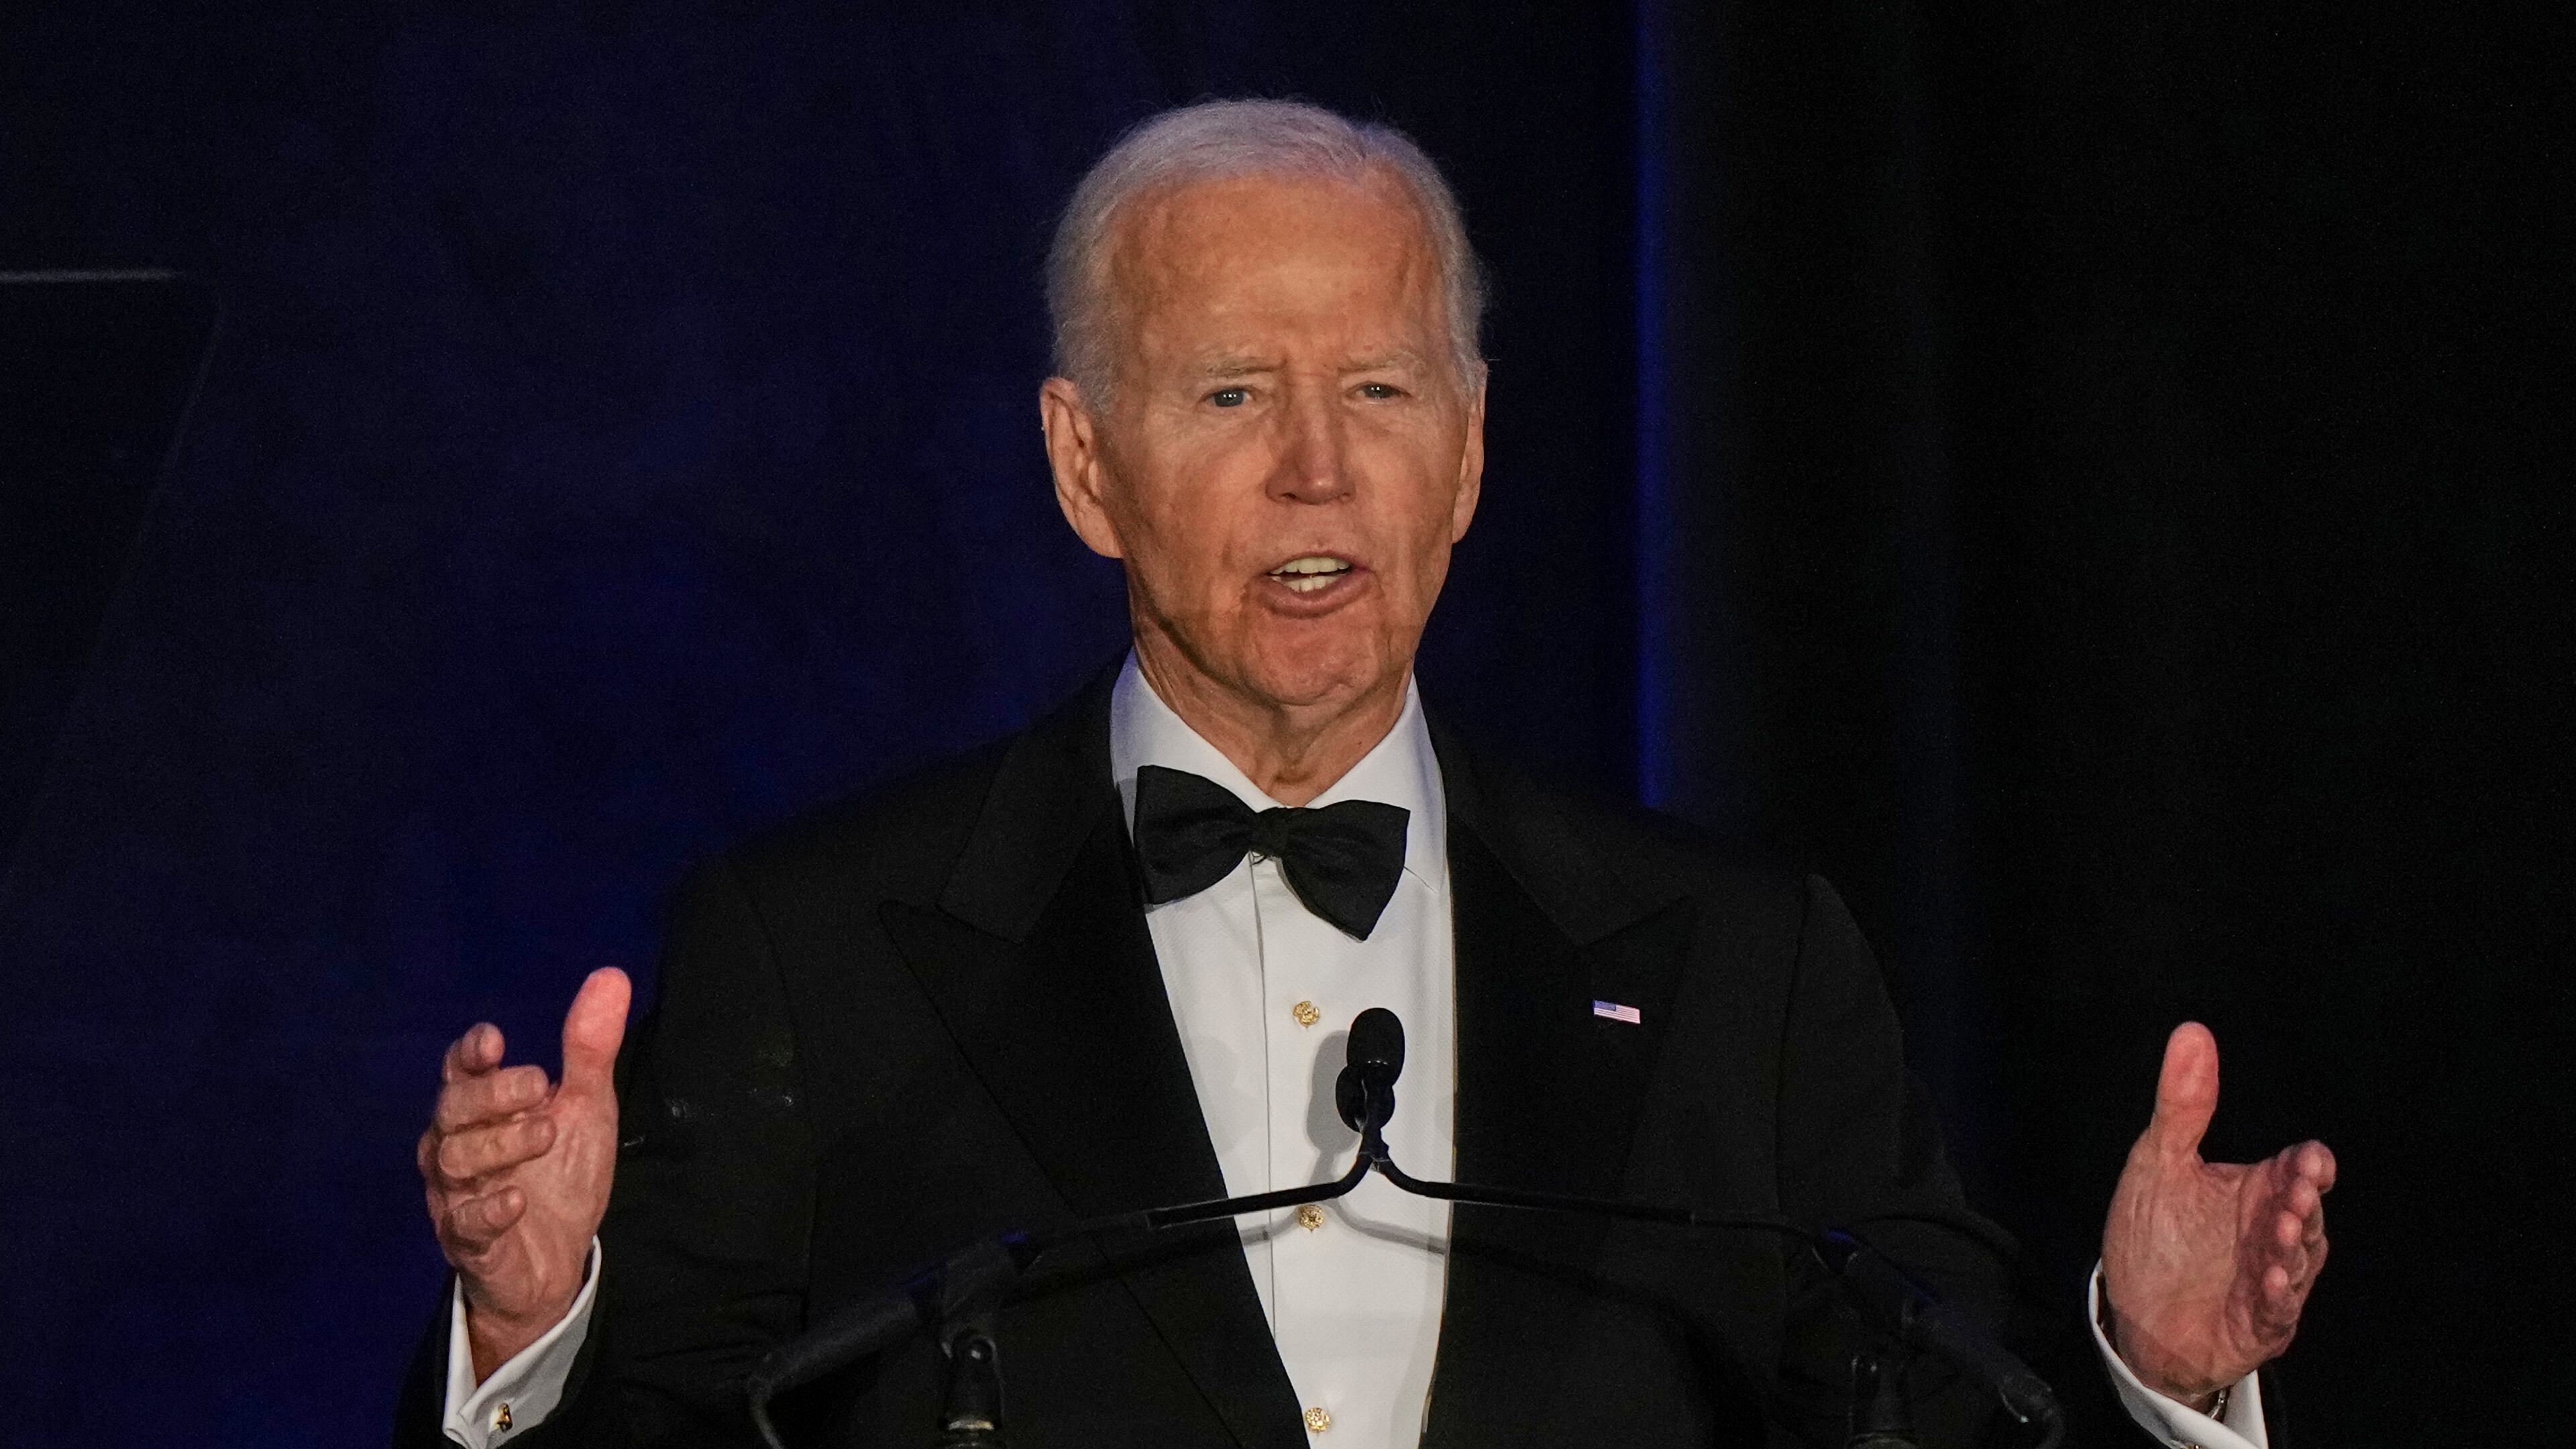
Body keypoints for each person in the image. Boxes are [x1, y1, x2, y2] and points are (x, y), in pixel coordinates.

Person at [400, 101, 2334, 1449]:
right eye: (1233, 391)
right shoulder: (813, 953)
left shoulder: (1747, 962)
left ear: (1473, 450)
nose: (1317, 469)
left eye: (1383, 391)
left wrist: (2151, 1370)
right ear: (1087, 467)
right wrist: (530, 1332)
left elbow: (1940, 1412)